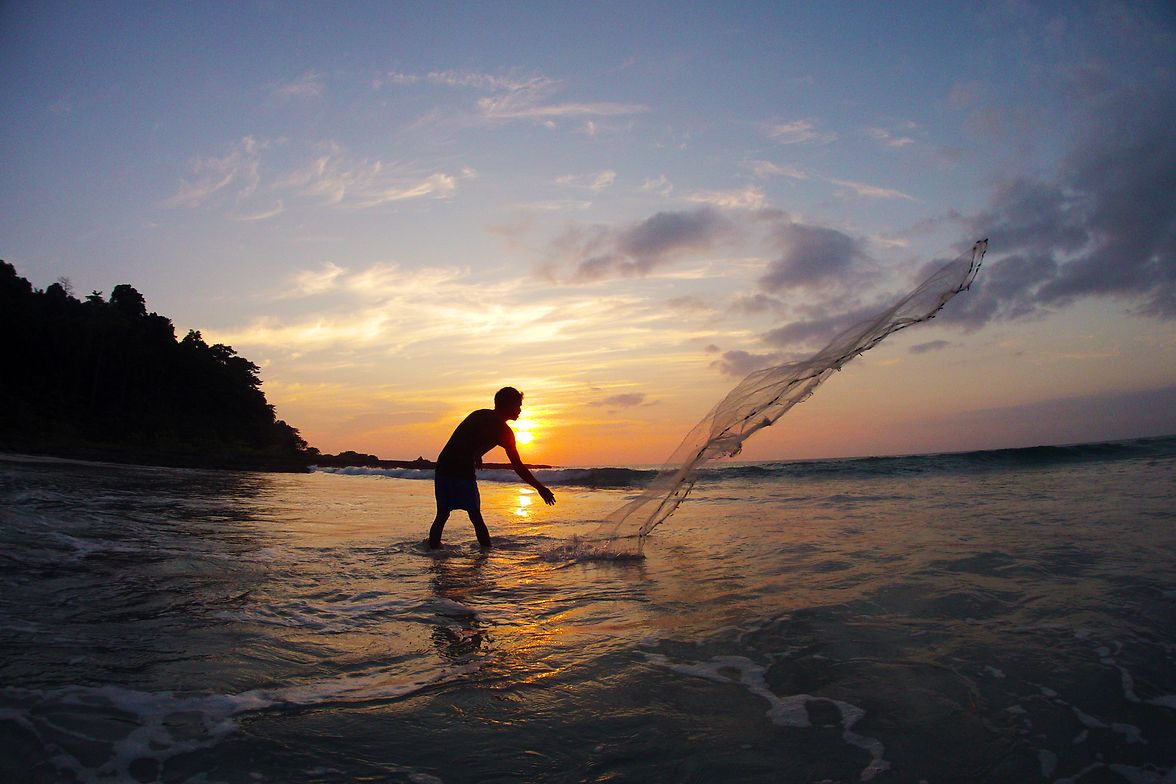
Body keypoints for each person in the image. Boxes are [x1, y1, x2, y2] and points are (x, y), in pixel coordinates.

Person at [428, 387, 555, 549]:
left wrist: (477, 453)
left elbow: (467, 437)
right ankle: (485, 554)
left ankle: (433, 554)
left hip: (444, 465)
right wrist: (540, 488)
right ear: (507, 405)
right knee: (475, 515)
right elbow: (518, 466)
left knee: (443, 514)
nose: (520, 410)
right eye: (517, 405)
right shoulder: (504, 431)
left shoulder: (480, 414)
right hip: (461, 470)